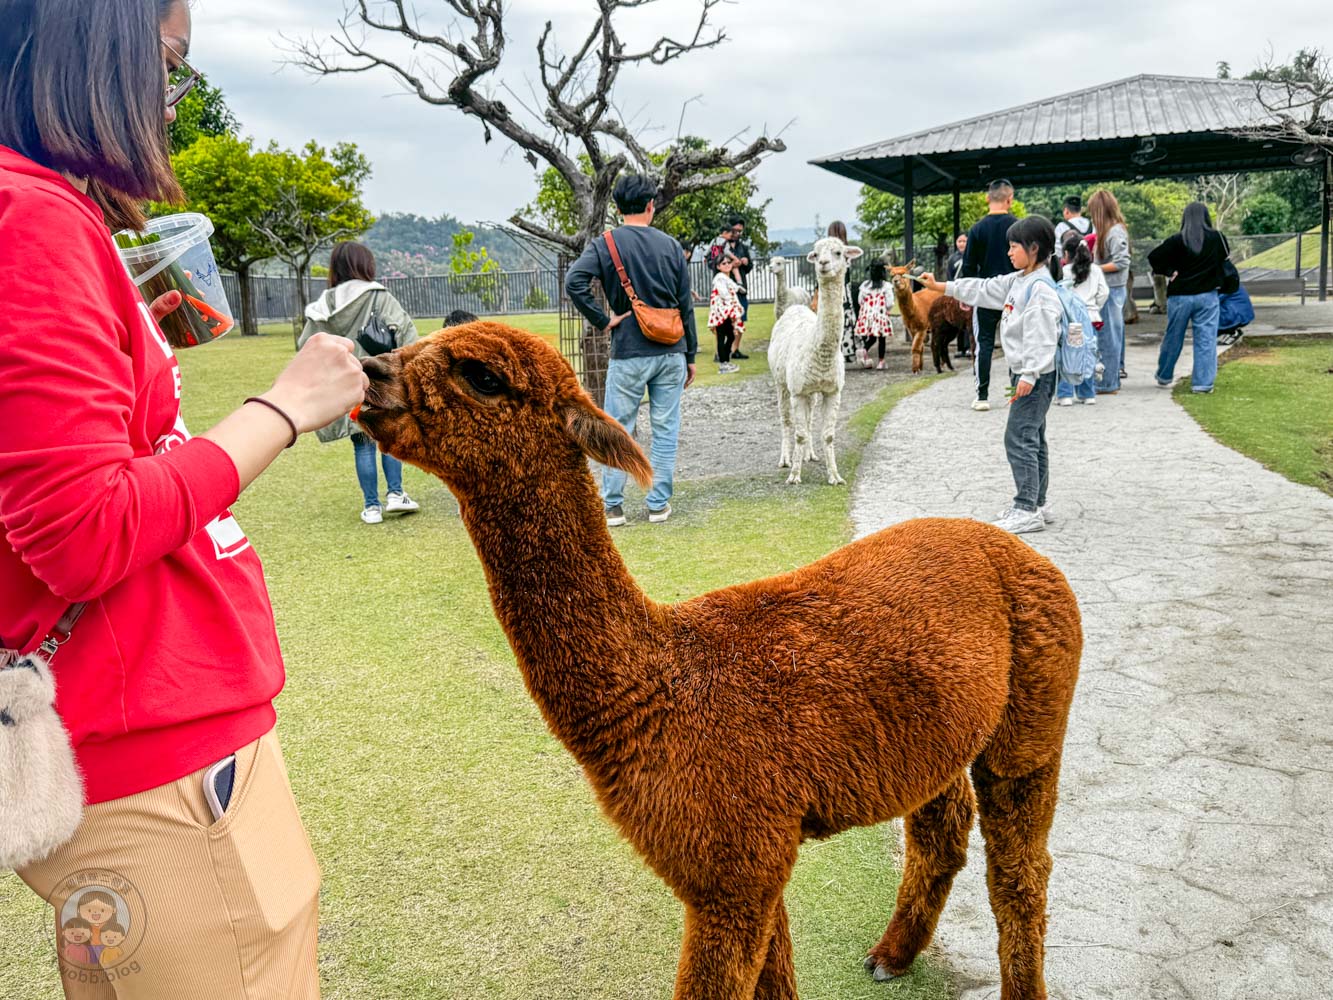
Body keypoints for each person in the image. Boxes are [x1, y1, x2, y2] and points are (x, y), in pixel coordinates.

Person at [0, 2, 367, 996]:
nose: (170, 100)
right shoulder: (31, 220)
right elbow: (83, 528)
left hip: (111, 758)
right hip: (158, 766)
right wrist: (284, 407)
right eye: (171, 65)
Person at [917, 216, 1063, 536]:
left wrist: (1029, 374)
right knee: (1033, 436)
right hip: (1026, 372)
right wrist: (941, 286)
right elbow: (983, 288)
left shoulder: (1039, 289)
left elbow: (1043, 336)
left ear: (1033, 248)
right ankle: (1037, 502)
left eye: (1013, 246)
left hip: (1034, 375)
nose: (1008, 252)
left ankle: (1026, 507)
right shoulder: (1019, 280)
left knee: (1019, 437)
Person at [565, 173, 697, 527]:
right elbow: (685, 305)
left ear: (617, 207)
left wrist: (603, 319)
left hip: (628, 350)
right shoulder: (671, 246)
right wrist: (691, 356)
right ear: (651, 205)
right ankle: (658, 504)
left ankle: (613, 505)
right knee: (666, 428)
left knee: (618, 428)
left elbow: (573, 281)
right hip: (671, 350)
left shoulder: (605, 244)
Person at [299, 241, 421, 524]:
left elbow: (307, 345)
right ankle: (395, 494)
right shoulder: (378, 296)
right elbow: (406, 333)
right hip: (380, 379)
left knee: (361, 442)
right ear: (365, 265)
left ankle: (371, 507)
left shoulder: (323, 305)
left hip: (345, 382)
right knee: (388, 436)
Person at [1148, 202, 1229, 394]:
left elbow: (1154, 257)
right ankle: (1202, 383)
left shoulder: (1177, 240)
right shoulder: (1217, 238)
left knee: (1173, 337)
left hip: (1180, 296)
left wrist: (1169, 271)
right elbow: (1225, 257)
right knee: (1206, 340)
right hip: (1207, 296)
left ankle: (1164, 374)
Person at [961, 180, 1019, 411]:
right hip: (1013, 294)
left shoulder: (976, 229)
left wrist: (967, 296)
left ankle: (982, 395)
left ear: (987, 198)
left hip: (985, 294)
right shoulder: (1018, 227)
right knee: (1015, 343)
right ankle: (1015, 393)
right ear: (1010, 199)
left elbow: (968, 267)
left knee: (983, 345)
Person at [1055, 232, 1108, 407]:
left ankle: (1065, 394)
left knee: (1069, 355)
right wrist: (1094, 307)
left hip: (1071, 320)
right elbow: (1104, 293)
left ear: (1067, 254)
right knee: (1088, 354)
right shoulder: (1096, 270)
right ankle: (1087, 393)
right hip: (1091, 318)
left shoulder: (1065, 271)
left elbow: (1060, 294)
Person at [1087, 188, 1131, 390]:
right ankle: (1113, 376)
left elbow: (1122, 261)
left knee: (1107, 337)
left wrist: (1095, 269)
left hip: (1111, 289)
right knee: (1113, 334)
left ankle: (1108, 382)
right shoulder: (1110, 230)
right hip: (1110, 288)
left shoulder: (1114, 232)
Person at [825, 220, 860, 363]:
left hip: (831, 290)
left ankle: (833, 350)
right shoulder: (845, 252)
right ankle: (848, 350)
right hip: (845, 289)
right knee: (847, 319)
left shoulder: (827, 252)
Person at [854, 258, 895, 370]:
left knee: (871, 338)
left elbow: (860, 301)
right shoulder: (886, 287)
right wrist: (886, 309)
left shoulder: (864, 286)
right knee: (881, 339)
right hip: (880, 315)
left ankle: (863, 350)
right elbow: (889, 303)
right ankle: (881, 362)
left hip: (866, 316)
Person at [708, 253, 744, 374]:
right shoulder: (719, 278)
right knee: (723, 336)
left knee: (730, 336)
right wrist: (732, 305)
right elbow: (724, 293)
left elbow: (732, 286)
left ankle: (725, 361)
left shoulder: (726, 278)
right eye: (724, 263)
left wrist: (739, 288)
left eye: (729, 262)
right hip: (721, 312)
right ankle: (723, 363)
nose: (727, 265)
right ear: (718, 266)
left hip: (726, 311)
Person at [725, 217, 753, 359]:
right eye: (735, 231)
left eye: (740, 231)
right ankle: (723, 349)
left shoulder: (743, 248)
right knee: (725, 320)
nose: (737, 234)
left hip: (741, 289)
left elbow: (749, 267)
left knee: (740, 318)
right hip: (725, 289)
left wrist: (745, 262)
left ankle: (735, 349)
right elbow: (712, 264)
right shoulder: (721, 246)